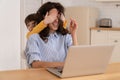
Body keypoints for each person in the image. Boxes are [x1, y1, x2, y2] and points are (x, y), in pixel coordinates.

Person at [25, 2, 78, 68]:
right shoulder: (34, 38)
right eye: (53, 17)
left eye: (58, 17)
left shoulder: (65, 36)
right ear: (44, 17)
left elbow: (76, 57)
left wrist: (73, 33)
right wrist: (64, 64)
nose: (56, 20)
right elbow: (35, 64)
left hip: (64, 75)